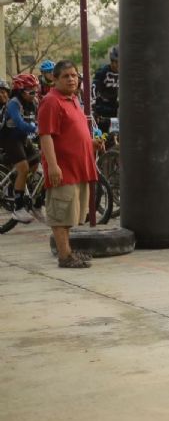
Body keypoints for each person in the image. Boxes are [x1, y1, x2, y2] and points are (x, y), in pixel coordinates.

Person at [37, 60, 98, 268]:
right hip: (63, 170)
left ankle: (68, 252)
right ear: (54, 79)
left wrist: (92, 144)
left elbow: (74, 133)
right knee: (60, 214)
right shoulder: (51, 101)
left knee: (71, 213)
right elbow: (45, 136)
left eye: (74, 75)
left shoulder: (73, 99)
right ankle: (64, 256)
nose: (71, 79)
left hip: (78, 168)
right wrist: (53, 166)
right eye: (66, 76)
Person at [0, 74, 41, 222]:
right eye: (31, 91)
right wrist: (36, 129)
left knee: (35, 163)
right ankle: (18, 208)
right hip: (8, 138)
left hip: (22, 137)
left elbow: (39, 119)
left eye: (35, 90)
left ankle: (31, 200)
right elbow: (19, 123)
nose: (34, 94)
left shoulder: (34, 102)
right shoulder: (13, 103)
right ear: (20, 91)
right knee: (23, 168)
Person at [93, 45, 120, 134]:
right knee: (102, 136)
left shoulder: (125, 73)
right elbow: (93, 90)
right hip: (101, 109)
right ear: (112, 61)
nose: (118, 65)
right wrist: (94, 109)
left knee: (114, 135)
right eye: (116, 62)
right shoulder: (102, 72)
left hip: (115, 110)